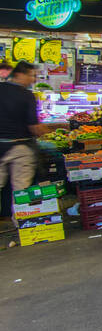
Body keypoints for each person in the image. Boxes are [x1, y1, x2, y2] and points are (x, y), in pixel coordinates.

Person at [0, 61, 54, 232]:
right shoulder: (27, 96)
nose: (33, 79)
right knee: (21, 189)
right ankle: (22, 225)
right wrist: (49, 133)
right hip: (20, 147)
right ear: (19, 74)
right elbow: (34, 127)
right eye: (31, 75)